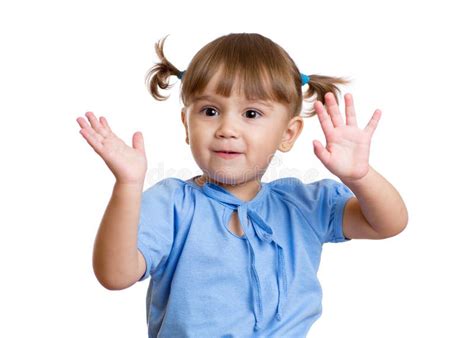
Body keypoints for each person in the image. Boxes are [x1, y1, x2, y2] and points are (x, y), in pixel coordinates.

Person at [76, 33, 408, 337]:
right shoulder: (173, 205)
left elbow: (388, 224)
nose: (227, 128)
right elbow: (114, 276)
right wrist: (128, 186)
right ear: (186, 124)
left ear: (287, 134)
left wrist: (359, 178)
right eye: (210, 111)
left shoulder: (303, 204)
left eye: (251, 114)